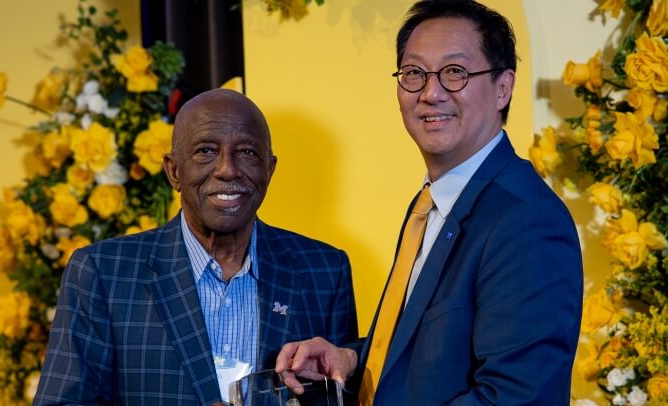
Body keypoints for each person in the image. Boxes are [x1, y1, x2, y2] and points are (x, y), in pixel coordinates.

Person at [276, 0, 583, 404]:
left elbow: (516, 396)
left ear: (503, 88)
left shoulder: (527, 220)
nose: (430, 93)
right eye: (414, 74)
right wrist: (351, 359)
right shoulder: (431, 202)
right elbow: (428, 348)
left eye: (455, 72)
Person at [34, 88, 358, 405]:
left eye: (247, 152)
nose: (227, 169)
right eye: (206, 151)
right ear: (173, 171)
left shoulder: (325, 271)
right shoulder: (103, 273)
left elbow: (345, 396)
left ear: (269, 170)